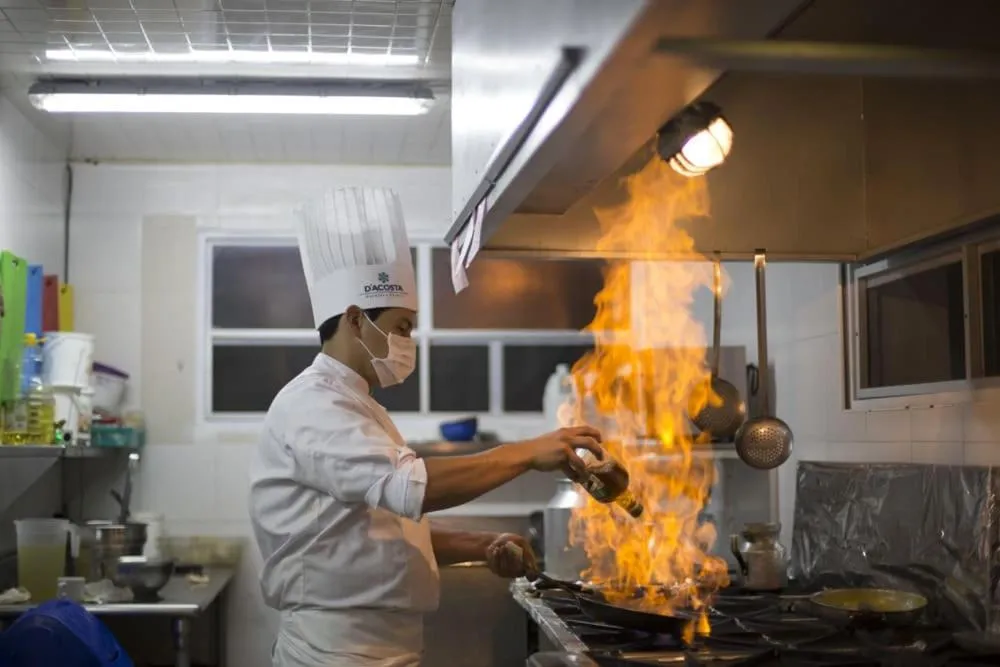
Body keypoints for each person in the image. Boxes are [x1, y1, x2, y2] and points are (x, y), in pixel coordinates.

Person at [248, 187, 603, 667]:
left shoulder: (357, 405)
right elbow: (411, 488)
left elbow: (374, 533)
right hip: (337, 652)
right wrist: (525, 453)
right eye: (401, 327)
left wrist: (479, 546)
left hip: (379, 647)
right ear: (355, 319)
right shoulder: (313, 407)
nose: (407, 342)